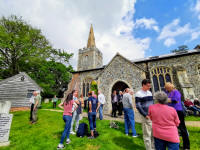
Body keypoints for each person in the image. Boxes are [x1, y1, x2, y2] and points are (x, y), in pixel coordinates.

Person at [165, 82, 190, 150]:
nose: (167, 89)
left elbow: (175, 100)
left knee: (182, 128)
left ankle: (186, 146)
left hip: (178, 112)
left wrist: (168, 100)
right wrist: (167, 100)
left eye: (168, 87)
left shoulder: (176, 92)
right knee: (174, 129)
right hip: (170, 112)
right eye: (166, 88)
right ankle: (176, 145)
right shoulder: (167, 93)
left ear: (171, 87)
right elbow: (165, 100)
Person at [135, 79, 154, 150]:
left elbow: (152, 103)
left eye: (150, 86)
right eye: (148, 86)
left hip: (152, 116)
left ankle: (153, 148)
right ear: (143, 85)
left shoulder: (149, 92)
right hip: (145, 116)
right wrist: (145, 115)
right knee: (147, 134)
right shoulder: (138, 94)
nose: (149, 87)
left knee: (153, 134)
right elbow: (138, 106)